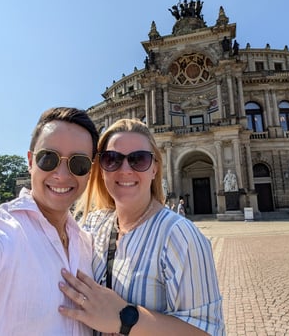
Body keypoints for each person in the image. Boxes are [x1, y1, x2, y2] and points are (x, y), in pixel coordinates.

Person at [58, 118, 225, 335]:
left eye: (139, 159)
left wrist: (124, 317)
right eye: (112, 159)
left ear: (155, 168)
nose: (125, 169)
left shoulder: (179, 236)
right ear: (101, 169)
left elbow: (208, 331)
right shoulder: (93, 226)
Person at [0, 107, 99, 335]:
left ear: (90, 172)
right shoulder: (1, 232)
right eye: (48, 158)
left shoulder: (86, 243)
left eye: (79, 163)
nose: (62, 175)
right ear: (30, 161)